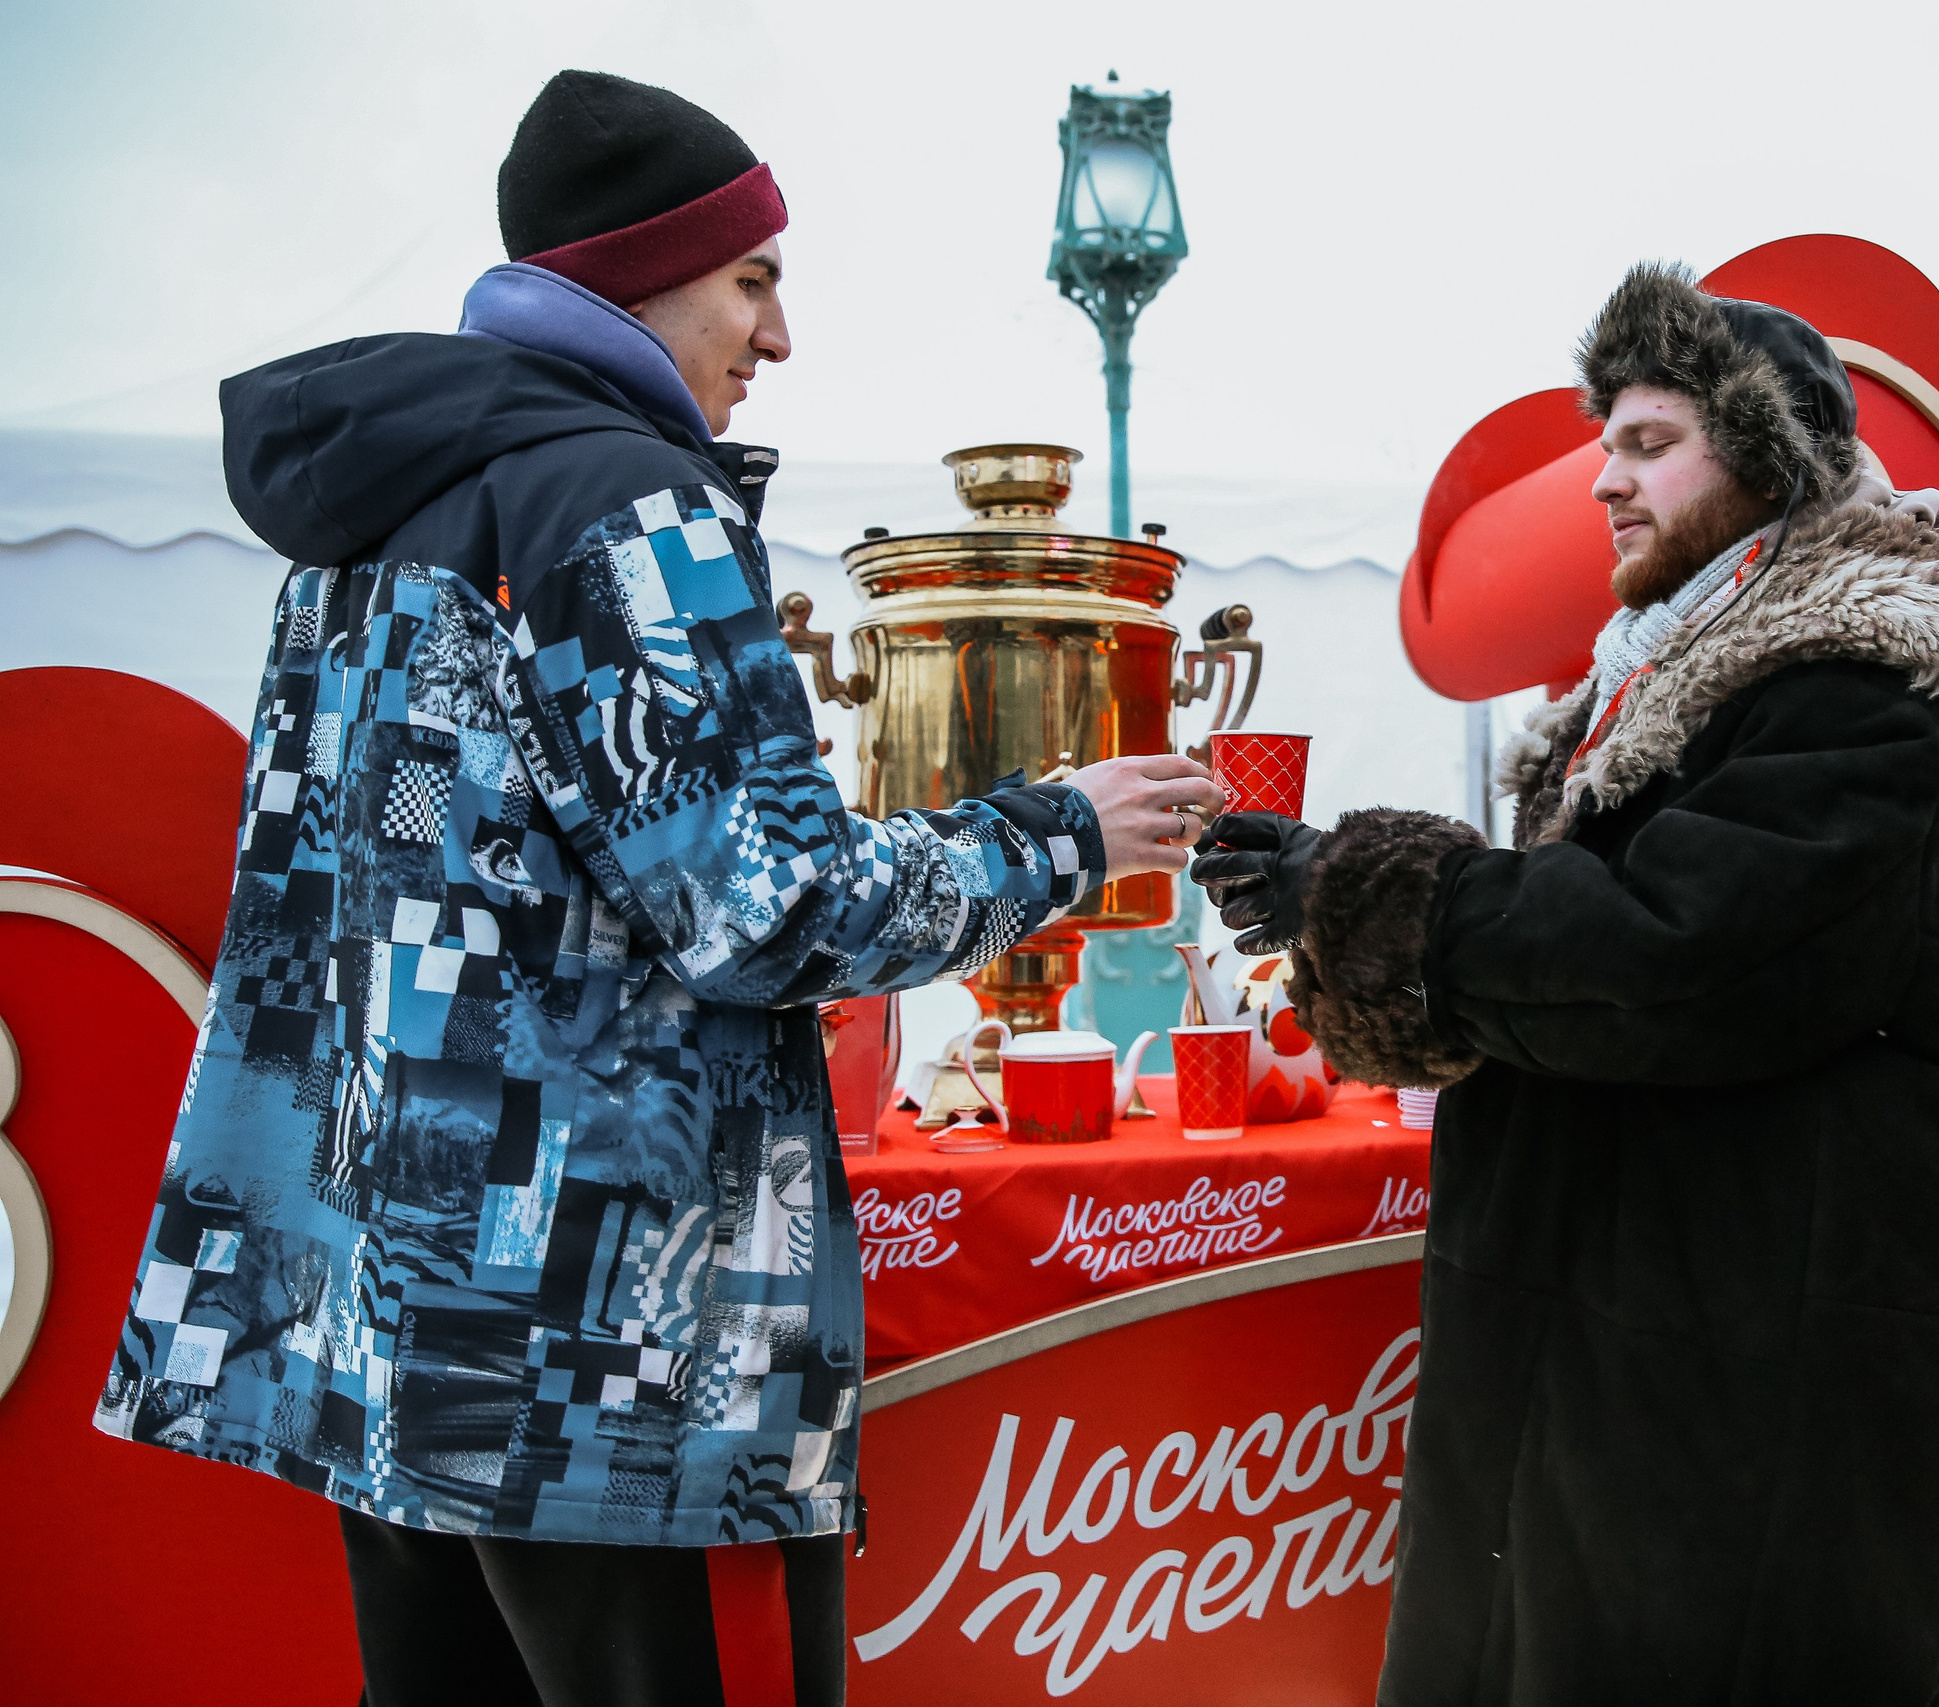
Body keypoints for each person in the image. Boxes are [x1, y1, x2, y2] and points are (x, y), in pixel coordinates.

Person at [90, 70, 1221, 1707]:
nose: (779, 338)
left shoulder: (362, 518)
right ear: (636, 281)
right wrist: (1061, 833)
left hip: (377, 1309)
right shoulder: (625, 498)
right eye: (754, 280)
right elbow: (765, 909)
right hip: (599, 1347)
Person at [1197, 262, 1939, 1704]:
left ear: (1766, 456)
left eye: (1649, 442)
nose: (1604, 480)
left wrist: (1374, 891)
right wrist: (1366, 899)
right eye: (1608, 442)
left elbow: (1676, 948)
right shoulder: (1675, 675)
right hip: (1655, 1350)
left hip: (1762, 1379)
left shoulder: (1861, 688)